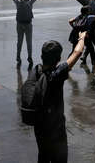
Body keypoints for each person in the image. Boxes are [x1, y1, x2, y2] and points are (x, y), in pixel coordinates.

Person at [33, 31, 86, 163]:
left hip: (39, 125)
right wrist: (82, 38)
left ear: (42, 56)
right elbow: (77, 53)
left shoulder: (37, 71)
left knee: (43, 155)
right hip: (55, 127)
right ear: (58, 59)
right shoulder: (56, 75)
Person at [7, 0, 42, 66]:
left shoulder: (18, 2)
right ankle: (29, 57)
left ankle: (18, 56)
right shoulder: (30, 2)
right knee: (28, 42)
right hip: (28, 24)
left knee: (19, 41)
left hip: (19, 24)